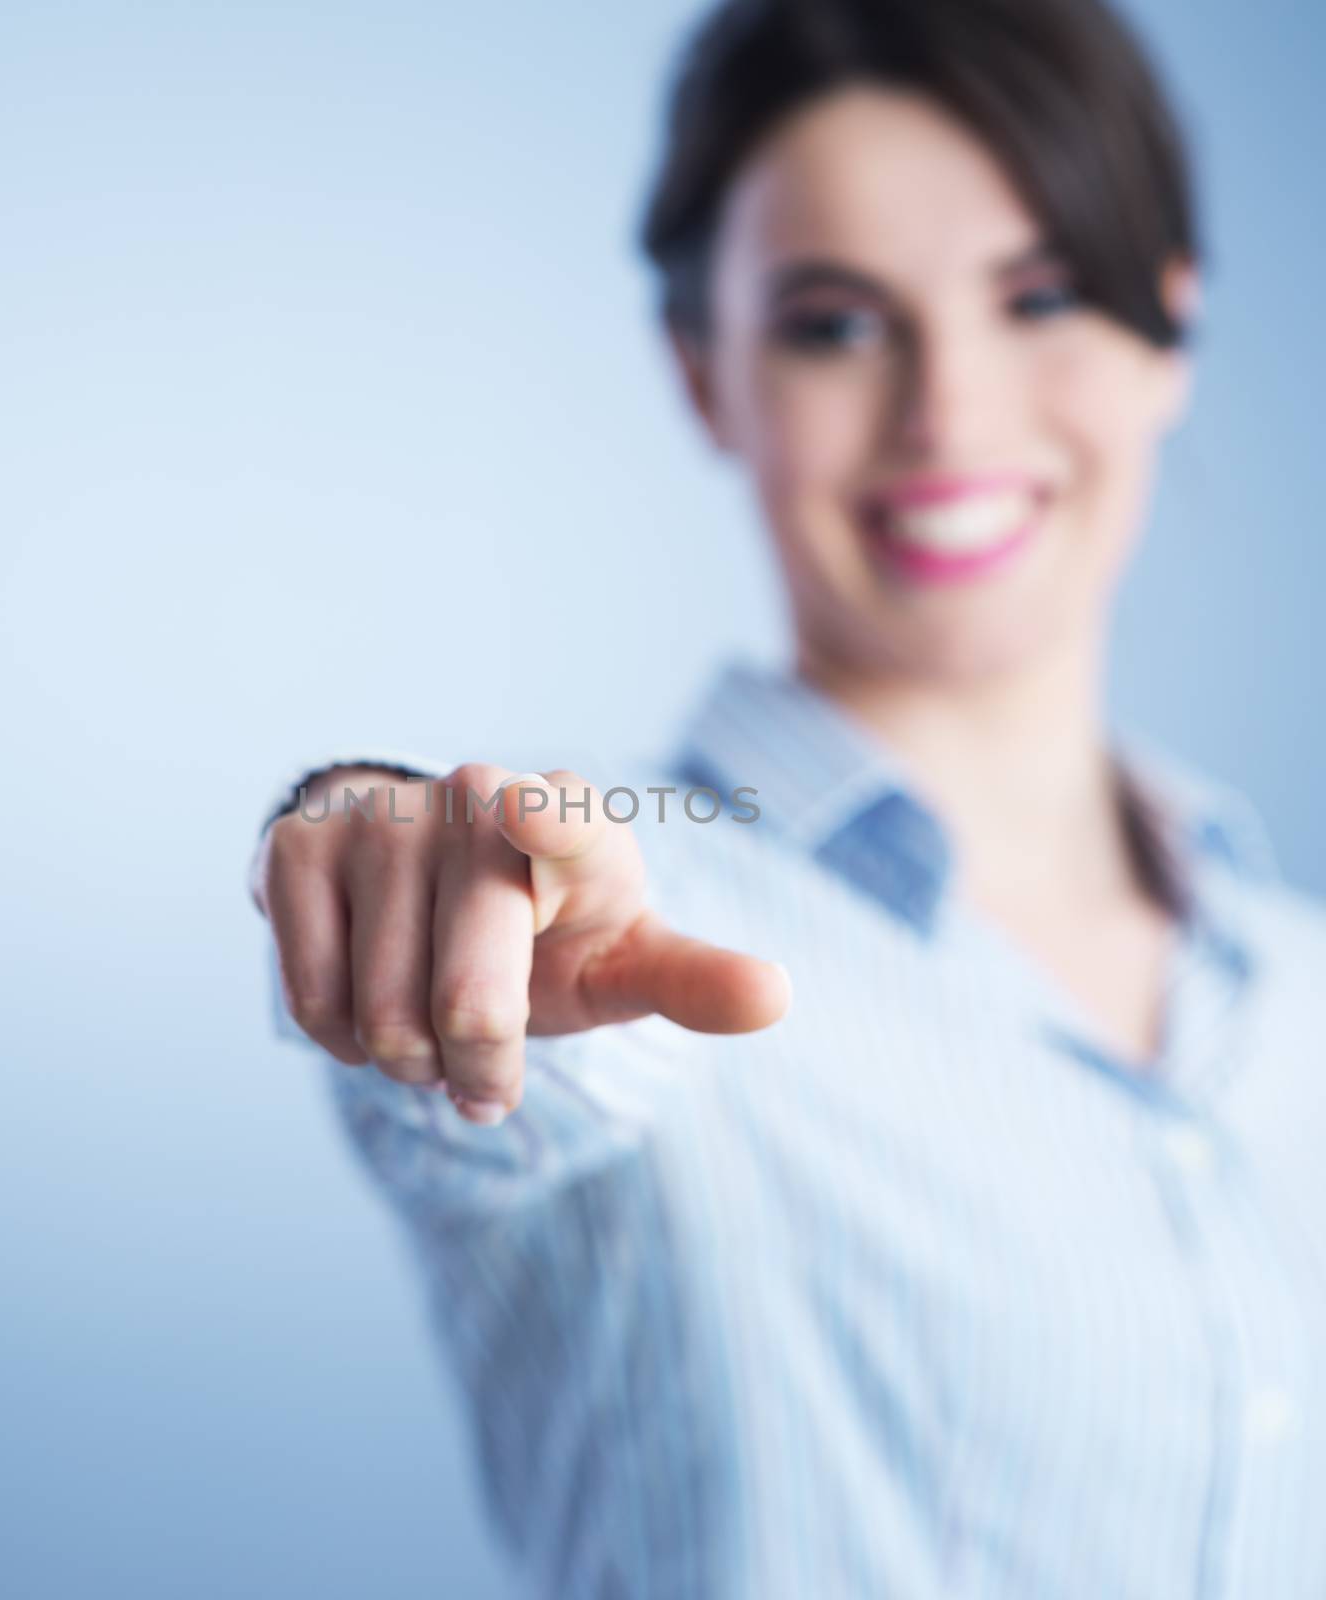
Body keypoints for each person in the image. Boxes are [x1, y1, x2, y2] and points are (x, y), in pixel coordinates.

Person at [249, 0, 1326, 1593]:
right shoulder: (623, 930)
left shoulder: (1291, 978)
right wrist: (377, 839)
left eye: (1037, 298)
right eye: (834, 324)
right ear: (703, 375)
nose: (950, 414)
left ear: (1170, 326)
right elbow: (489, 1050)